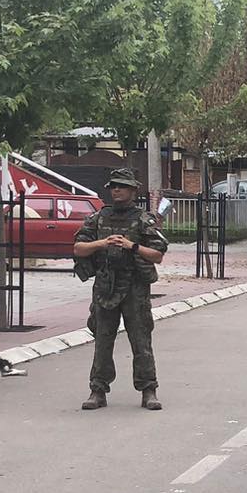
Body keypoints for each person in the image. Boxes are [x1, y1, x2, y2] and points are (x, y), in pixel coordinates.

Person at [72, 170, 169, 410]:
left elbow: (157, 255)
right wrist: (102, 244)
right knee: (103, 340)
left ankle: (149, 390)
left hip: (135, 288)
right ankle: (98, 390)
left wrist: (132, 246)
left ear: (133, 191)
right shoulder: (98, 218)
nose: (116, 190)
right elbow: (78, 248)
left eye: (122, 186)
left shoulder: (143, 220)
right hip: (106, 287)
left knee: (141, 341)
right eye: (113, 186)